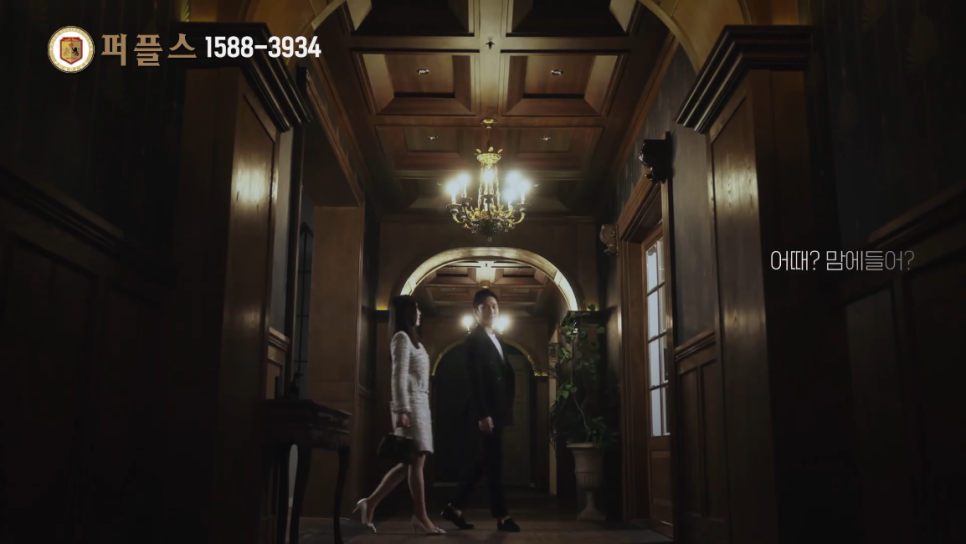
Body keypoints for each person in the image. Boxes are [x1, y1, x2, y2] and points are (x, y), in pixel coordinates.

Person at [354, 296, 445, 535]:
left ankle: (370, 503)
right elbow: (398, 376)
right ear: (408, 313)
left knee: (410, 463)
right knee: (416, 461)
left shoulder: (414, 340)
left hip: (420, 405)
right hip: (411, 406)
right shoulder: (401, 338)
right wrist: (401, 409)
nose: (420, 314)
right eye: (417, 310)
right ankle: (421, 516)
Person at [441, 289, 522, 532]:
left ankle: (454, 508)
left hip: (497, 411)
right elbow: (473, 379)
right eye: (485, 306)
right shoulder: (473, 340)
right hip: (485, 413)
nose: (491, 310)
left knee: (485, 463)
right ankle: (502, 516)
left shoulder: (498, 340)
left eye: (494, 306)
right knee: (492, 463)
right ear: (475, 312)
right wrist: (483, 413)